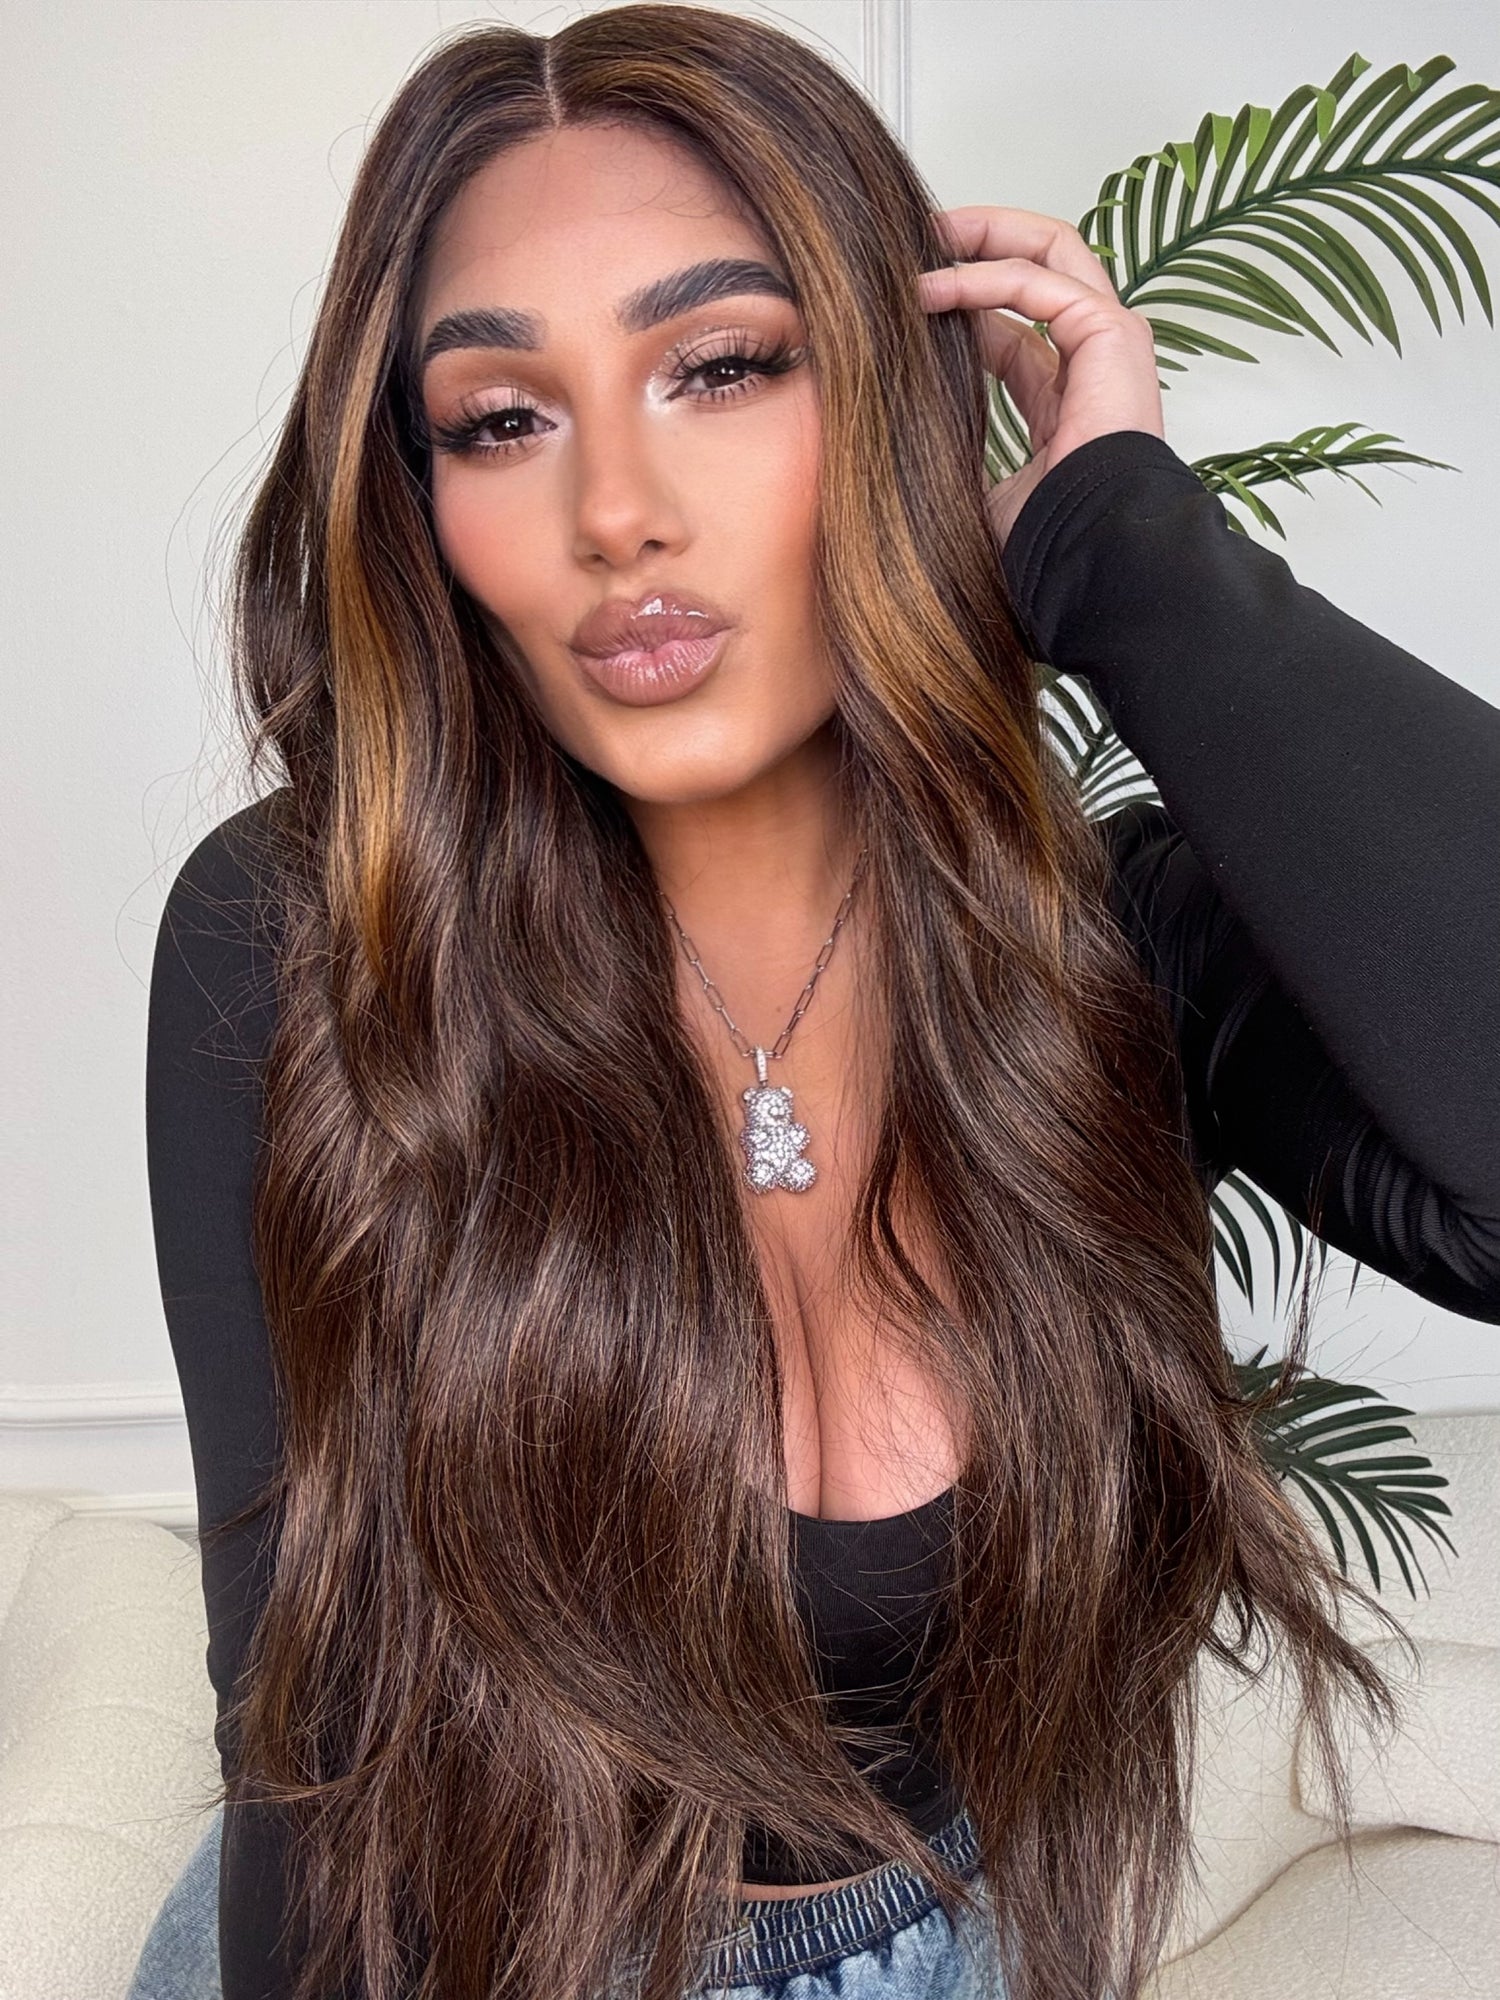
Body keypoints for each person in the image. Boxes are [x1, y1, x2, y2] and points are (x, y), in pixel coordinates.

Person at [131, 8, 1500, 1999]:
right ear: (418, 503)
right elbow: (319, 1750)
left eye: (723, 366)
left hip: (961, 1930)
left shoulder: (1102, 950)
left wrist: (1122, 545)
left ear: (886, 400)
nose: (617, 511)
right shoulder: (308, 943)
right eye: (502, 418)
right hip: (478, 1937)